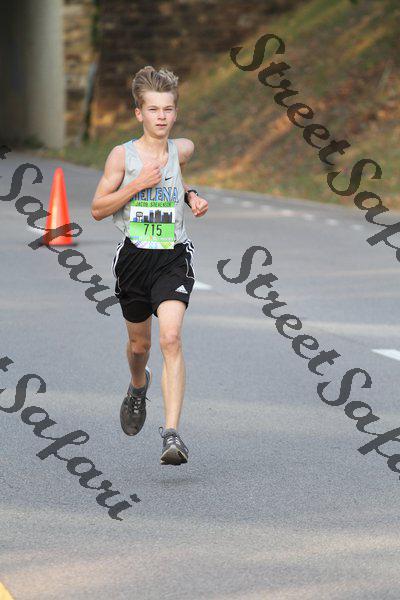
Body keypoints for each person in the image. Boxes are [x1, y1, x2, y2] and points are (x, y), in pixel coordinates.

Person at [91, 66, 208, 466]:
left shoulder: (182, 149)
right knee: (139, 345)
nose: (161, 116)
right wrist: (137, 184)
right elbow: (97, 209)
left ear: (176, 112)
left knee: (170, 338)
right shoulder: (122, 156)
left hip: (173, 256)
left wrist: (191, 195)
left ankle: (171, 434)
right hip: (134, 259)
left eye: (168, 109)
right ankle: (138, 385)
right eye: (153, 109)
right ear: (138, 113)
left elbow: (178, 174)